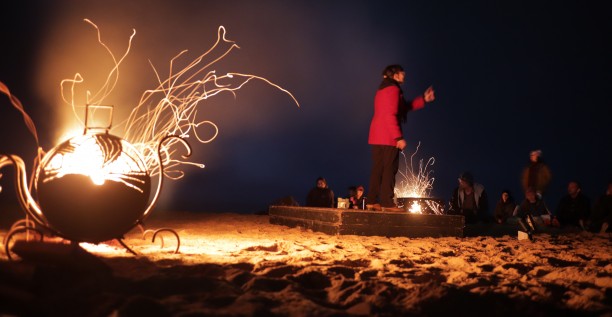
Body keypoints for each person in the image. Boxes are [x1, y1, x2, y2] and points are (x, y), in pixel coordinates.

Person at [366, 64, 435, 211]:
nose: (404, 75)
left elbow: (402, 107)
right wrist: (398, 137)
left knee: (378, 169)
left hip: (377, 134)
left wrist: (423, 99)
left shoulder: (382, 89)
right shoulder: (393, 89)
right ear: (394, 75)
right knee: (390, 169)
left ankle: (372, 201)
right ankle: (386, 202)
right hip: (388, 135)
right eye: (401, 73)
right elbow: (390, 114)